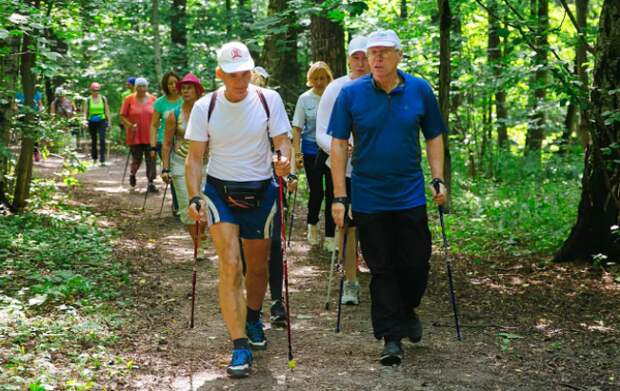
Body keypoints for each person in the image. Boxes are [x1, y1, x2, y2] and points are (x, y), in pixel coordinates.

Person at [328, 30, 447, 366]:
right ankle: (391, 338)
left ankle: (407, 309)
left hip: (409, 194)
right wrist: (339, 195)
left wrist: (438, 178)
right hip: (368, 195)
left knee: (416, 263)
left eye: (382, 53)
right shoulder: (351, 94)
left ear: (399, 55)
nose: (375, 59)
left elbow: (434, 135)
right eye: (370, 53)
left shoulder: (420, 90)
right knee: (382, 268)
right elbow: (338, 144)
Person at [185, 41, 292, 378]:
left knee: (257, 267)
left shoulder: (268, 100)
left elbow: (283, 143)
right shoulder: (206, 106)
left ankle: (252, 317)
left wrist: (285, 161)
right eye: (233, 74)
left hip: (261, 191)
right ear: (220, 74)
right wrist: (194, 196)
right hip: (219, 192)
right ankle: (239, 345)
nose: (240, 79)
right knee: (231, 264)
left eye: (245, 71)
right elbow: (195, 158)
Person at [316, 35, 370, 306]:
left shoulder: (383, 86)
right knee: (348, 226)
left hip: (374, 171)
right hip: (343, 170)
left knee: (372, 225)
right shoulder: (335, 88)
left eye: (365, 57)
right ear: (348, 59)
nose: (360, 63)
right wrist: (340, 146)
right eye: (355, 58)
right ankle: (350, 281)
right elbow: (321, 133)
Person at [250, 65, 295, 326]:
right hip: (246, 184)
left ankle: (277, 301)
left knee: (276, 244)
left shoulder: (273, 107)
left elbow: (285, 144)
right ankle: (252, 303)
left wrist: (289, 172)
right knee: (252, 248)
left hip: (272, 182)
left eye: (261, 80)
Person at [292, 61, 335, 249]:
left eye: (323, 78)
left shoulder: (335, 96)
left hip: (332, 151)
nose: (319, 82)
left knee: (333, 192)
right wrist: (297, 154)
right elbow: (297, 129)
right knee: (316, 191)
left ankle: (331, 235)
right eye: (316, 78)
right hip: (311, 150)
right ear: (310, 79)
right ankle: (312, 225)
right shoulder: (304, 99)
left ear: (328, 79)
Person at [161, 73, 207, 242]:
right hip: (180, 163)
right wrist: (165, 168)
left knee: (206, 204)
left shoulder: (207, 111)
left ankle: (202, 233)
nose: (186, 91)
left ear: (197, 91)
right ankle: (197, 242)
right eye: (183, 88)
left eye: (190, 88)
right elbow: (167, 143)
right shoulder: (174, 114)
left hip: (206, 163)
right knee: (187, 204)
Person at [119, 77, 158, 192]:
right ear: (135, 87)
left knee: (151, 158)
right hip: (134, 135)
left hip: (150, 135)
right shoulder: (129, 99)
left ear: (147, 87)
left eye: (144, 86)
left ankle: (151, 182)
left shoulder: (153, 99)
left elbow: (158, 115)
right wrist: (130, 125)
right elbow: (122, 115)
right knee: (137, 159)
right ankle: (132, 173)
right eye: (139, 86)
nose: (142, 88)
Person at [152, 71, 182, 213]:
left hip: (183, 142)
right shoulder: (160, 103)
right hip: (164, 143)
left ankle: (183, 202)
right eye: (170, 83)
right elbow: (154, 125)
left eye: (175, 82)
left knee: (183, 172)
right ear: (166, 85)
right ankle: (177, 205)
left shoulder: (185, 99)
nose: (173, 86)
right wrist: (152, 145)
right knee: (172, 173)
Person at [83, 82, 112, 166]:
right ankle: (94, 158)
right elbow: (85, 112)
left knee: (102, 139)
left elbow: (107, 111)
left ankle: (102, 159)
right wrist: (84, 120)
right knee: (94, 140)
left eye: (98, 90)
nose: (96, 92)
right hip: (91, 121)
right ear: (91, 90)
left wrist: (109, 122)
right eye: (94, 90)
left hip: (102, 120)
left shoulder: (103, 98)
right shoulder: (87, 100)